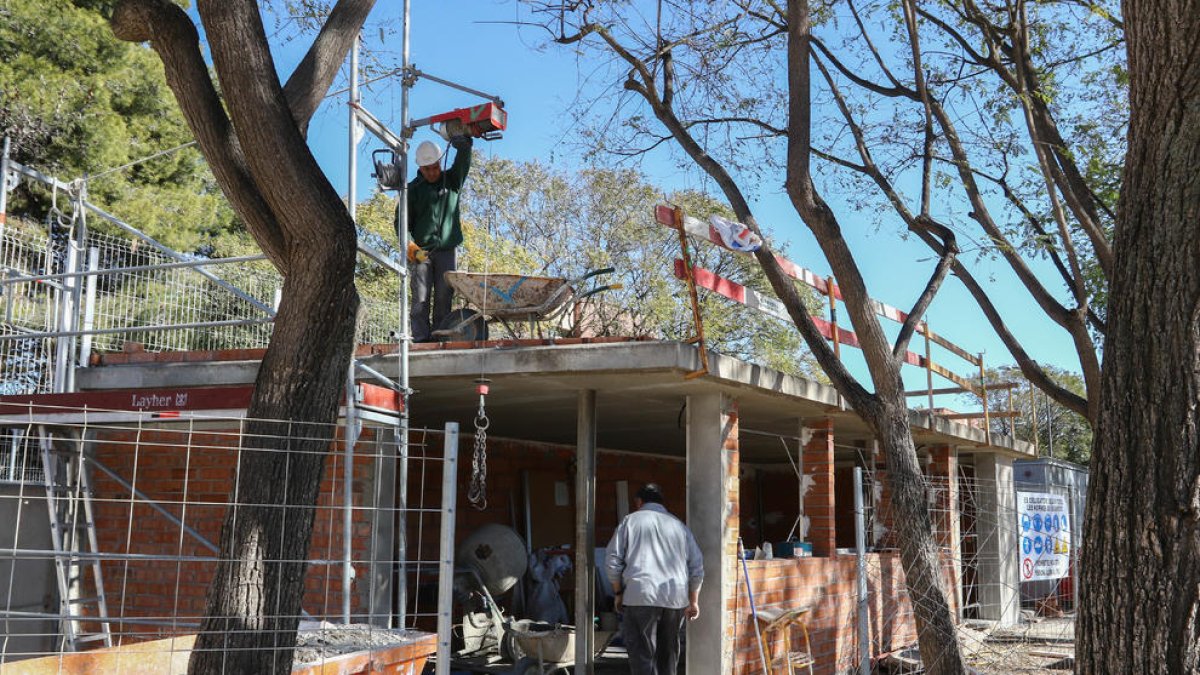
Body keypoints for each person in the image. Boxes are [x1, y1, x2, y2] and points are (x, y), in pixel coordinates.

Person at [605, 483, 704, 675]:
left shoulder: (630, 521)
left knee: (642, 655)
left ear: (639, 502)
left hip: (640, 595)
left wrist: (618, 592)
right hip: (675, 597)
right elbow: (697, 566)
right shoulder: (679, 525)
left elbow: (612, 561)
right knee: (668, 654)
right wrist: (694, 601)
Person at [402, 134, 472, 342]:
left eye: (435, 167)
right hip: (421, 251)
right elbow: (401, 222)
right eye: (427, 168)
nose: (432, 172)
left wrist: (464, 146)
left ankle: (439, 337)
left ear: (439, 162)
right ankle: (421, 339)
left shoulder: (452, 181)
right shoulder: (412, 190)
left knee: (443, 296)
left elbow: (463, 163)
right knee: (421, 297)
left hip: (447, 251)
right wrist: (410, 246)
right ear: (420, 168)